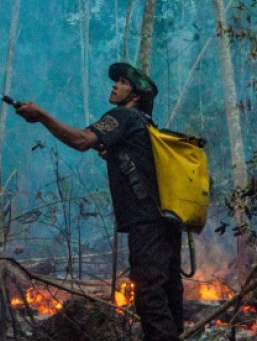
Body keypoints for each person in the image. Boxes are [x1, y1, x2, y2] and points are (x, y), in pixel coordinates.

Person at [14, 63, 184, 341]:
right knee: (168, 293)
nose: (115, 85)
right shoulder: (145, 124)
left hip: (147, 223)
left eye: (123, 82)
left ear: (135, 95)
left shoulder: (122, 116)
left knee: (149, 297)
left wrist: (42, 115)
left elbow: (82, 140)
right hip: (167, 222)